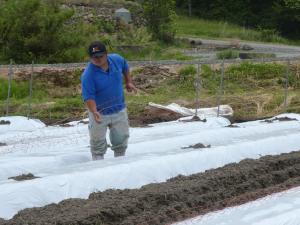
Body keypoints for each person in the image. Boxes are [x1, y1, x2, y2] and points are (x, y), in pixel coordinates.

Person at [81, 41, 137, 160]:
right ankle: (98, 165)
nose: (98, 59)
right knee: (97, 145)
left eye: (100, 56)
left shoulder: (116, 59)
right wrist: (94, 111)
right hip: (99, 113)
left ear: (106, 54)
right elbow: (88, 96)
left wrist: (128, 82)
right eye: (94, 57)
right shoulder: (88, 75)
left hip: (119, 109)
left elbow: (125, 66)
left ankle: (119, 163)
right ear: (90, 58)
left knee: (121, 141)